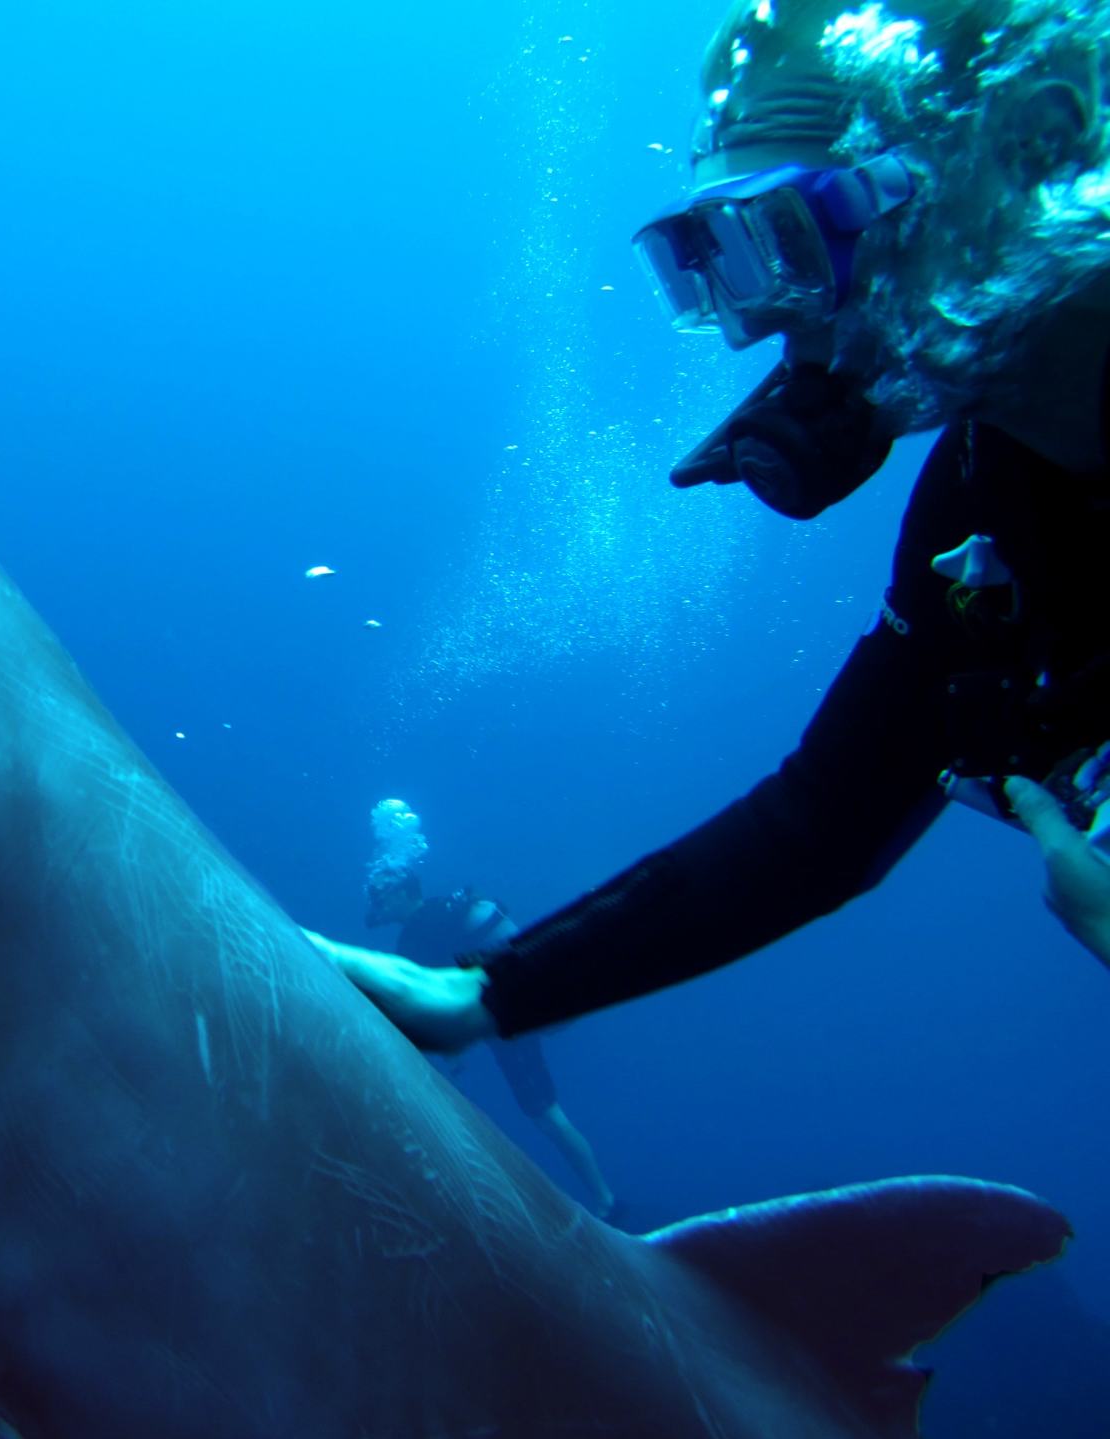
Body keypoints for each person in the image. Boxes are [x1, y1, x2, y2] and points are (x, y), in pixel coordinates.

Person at [332, 0, 1110, 1054]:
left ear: (1036, 146)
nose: (768, 323)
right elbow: (818, 825)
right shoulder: (982, 517)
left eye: (783, 239)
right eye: (719, 267)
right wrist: (487, 995)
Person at [316, 801, 617, 1217]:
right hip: (502, 1011)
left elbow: (427, 998)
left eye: (382, 895)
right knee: (545, 1114)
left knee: (546, 1114)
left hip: (504, 1017)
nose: (377, 906)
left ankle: (604, 1199)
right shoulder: (443, 912)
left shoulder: (419, 936)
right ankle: (604, 1198)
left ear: (404, 890)